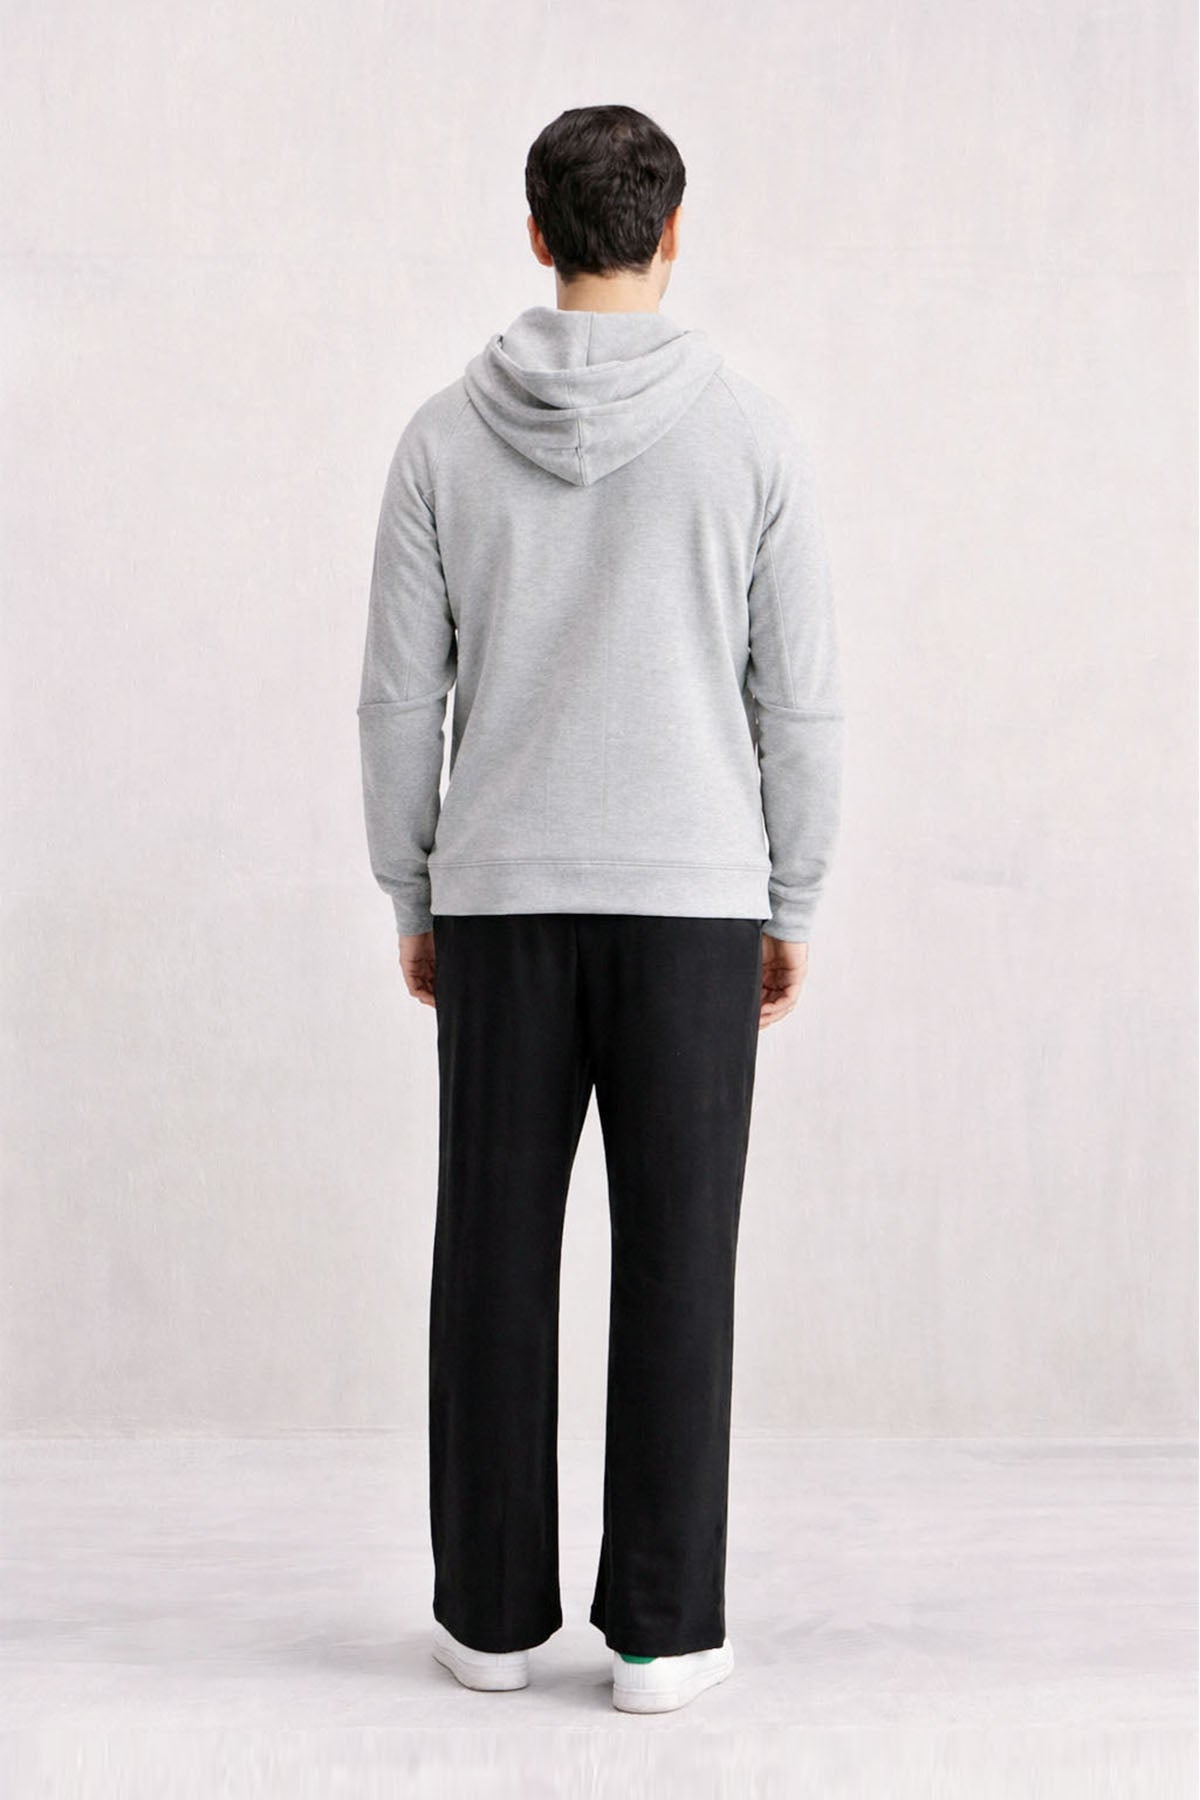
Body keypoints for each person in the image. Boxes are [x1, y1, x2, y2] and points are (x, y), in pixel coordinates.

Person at [356, 103, 844, 1715]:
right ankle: (662, 1633)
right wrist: (791, 895)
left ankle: (490, 1622)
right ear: (673, 232)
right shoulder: (752, 437)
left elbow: (398, 699)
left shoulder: (442, 438)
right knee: (681, 1260)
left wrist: (414, 885)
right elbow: (799, 704)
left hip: (501, 901)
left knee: (490, 1255)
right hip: (697, 906)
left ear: (536, 232)